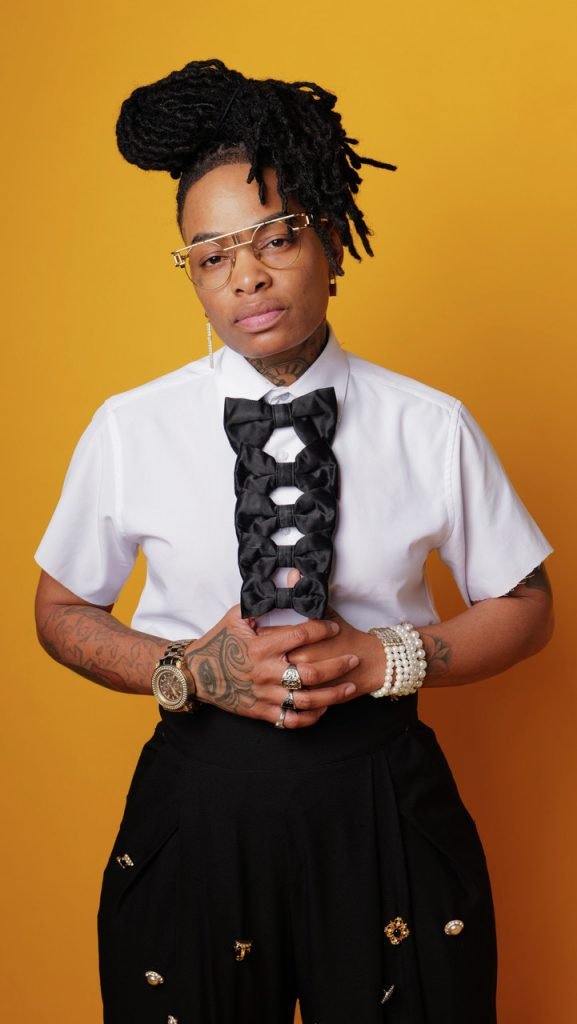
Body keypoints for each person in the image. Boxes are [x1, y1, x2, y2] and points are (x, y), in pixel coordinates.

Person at [34, 58, 554, 1024]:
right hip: (197, 804)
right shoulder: (128, 427)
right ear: (192, 275)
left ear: (330, 240)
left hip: (382, 801)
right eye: (211, 255)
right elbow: (59, 611)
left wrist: (386, 657)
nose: (247, 276)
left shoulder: (430, 424)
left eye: (275, 237)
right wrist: (184, 670)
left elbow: (526, 606)